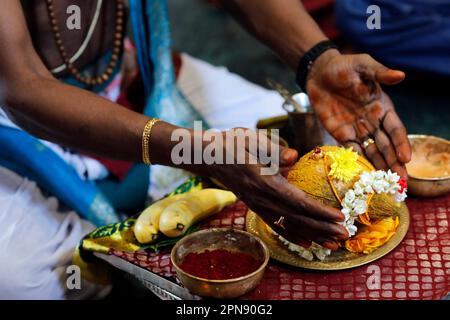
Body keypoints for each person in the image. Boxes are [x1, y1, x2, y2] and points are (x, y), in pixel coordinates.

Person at [0, 0, 411, 299]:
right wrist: (195, 151)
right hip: (18, 119)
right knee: (29, 280)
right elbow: (22, 89)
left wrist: (316, 60)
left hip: (137, 71)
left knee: (301, 136)